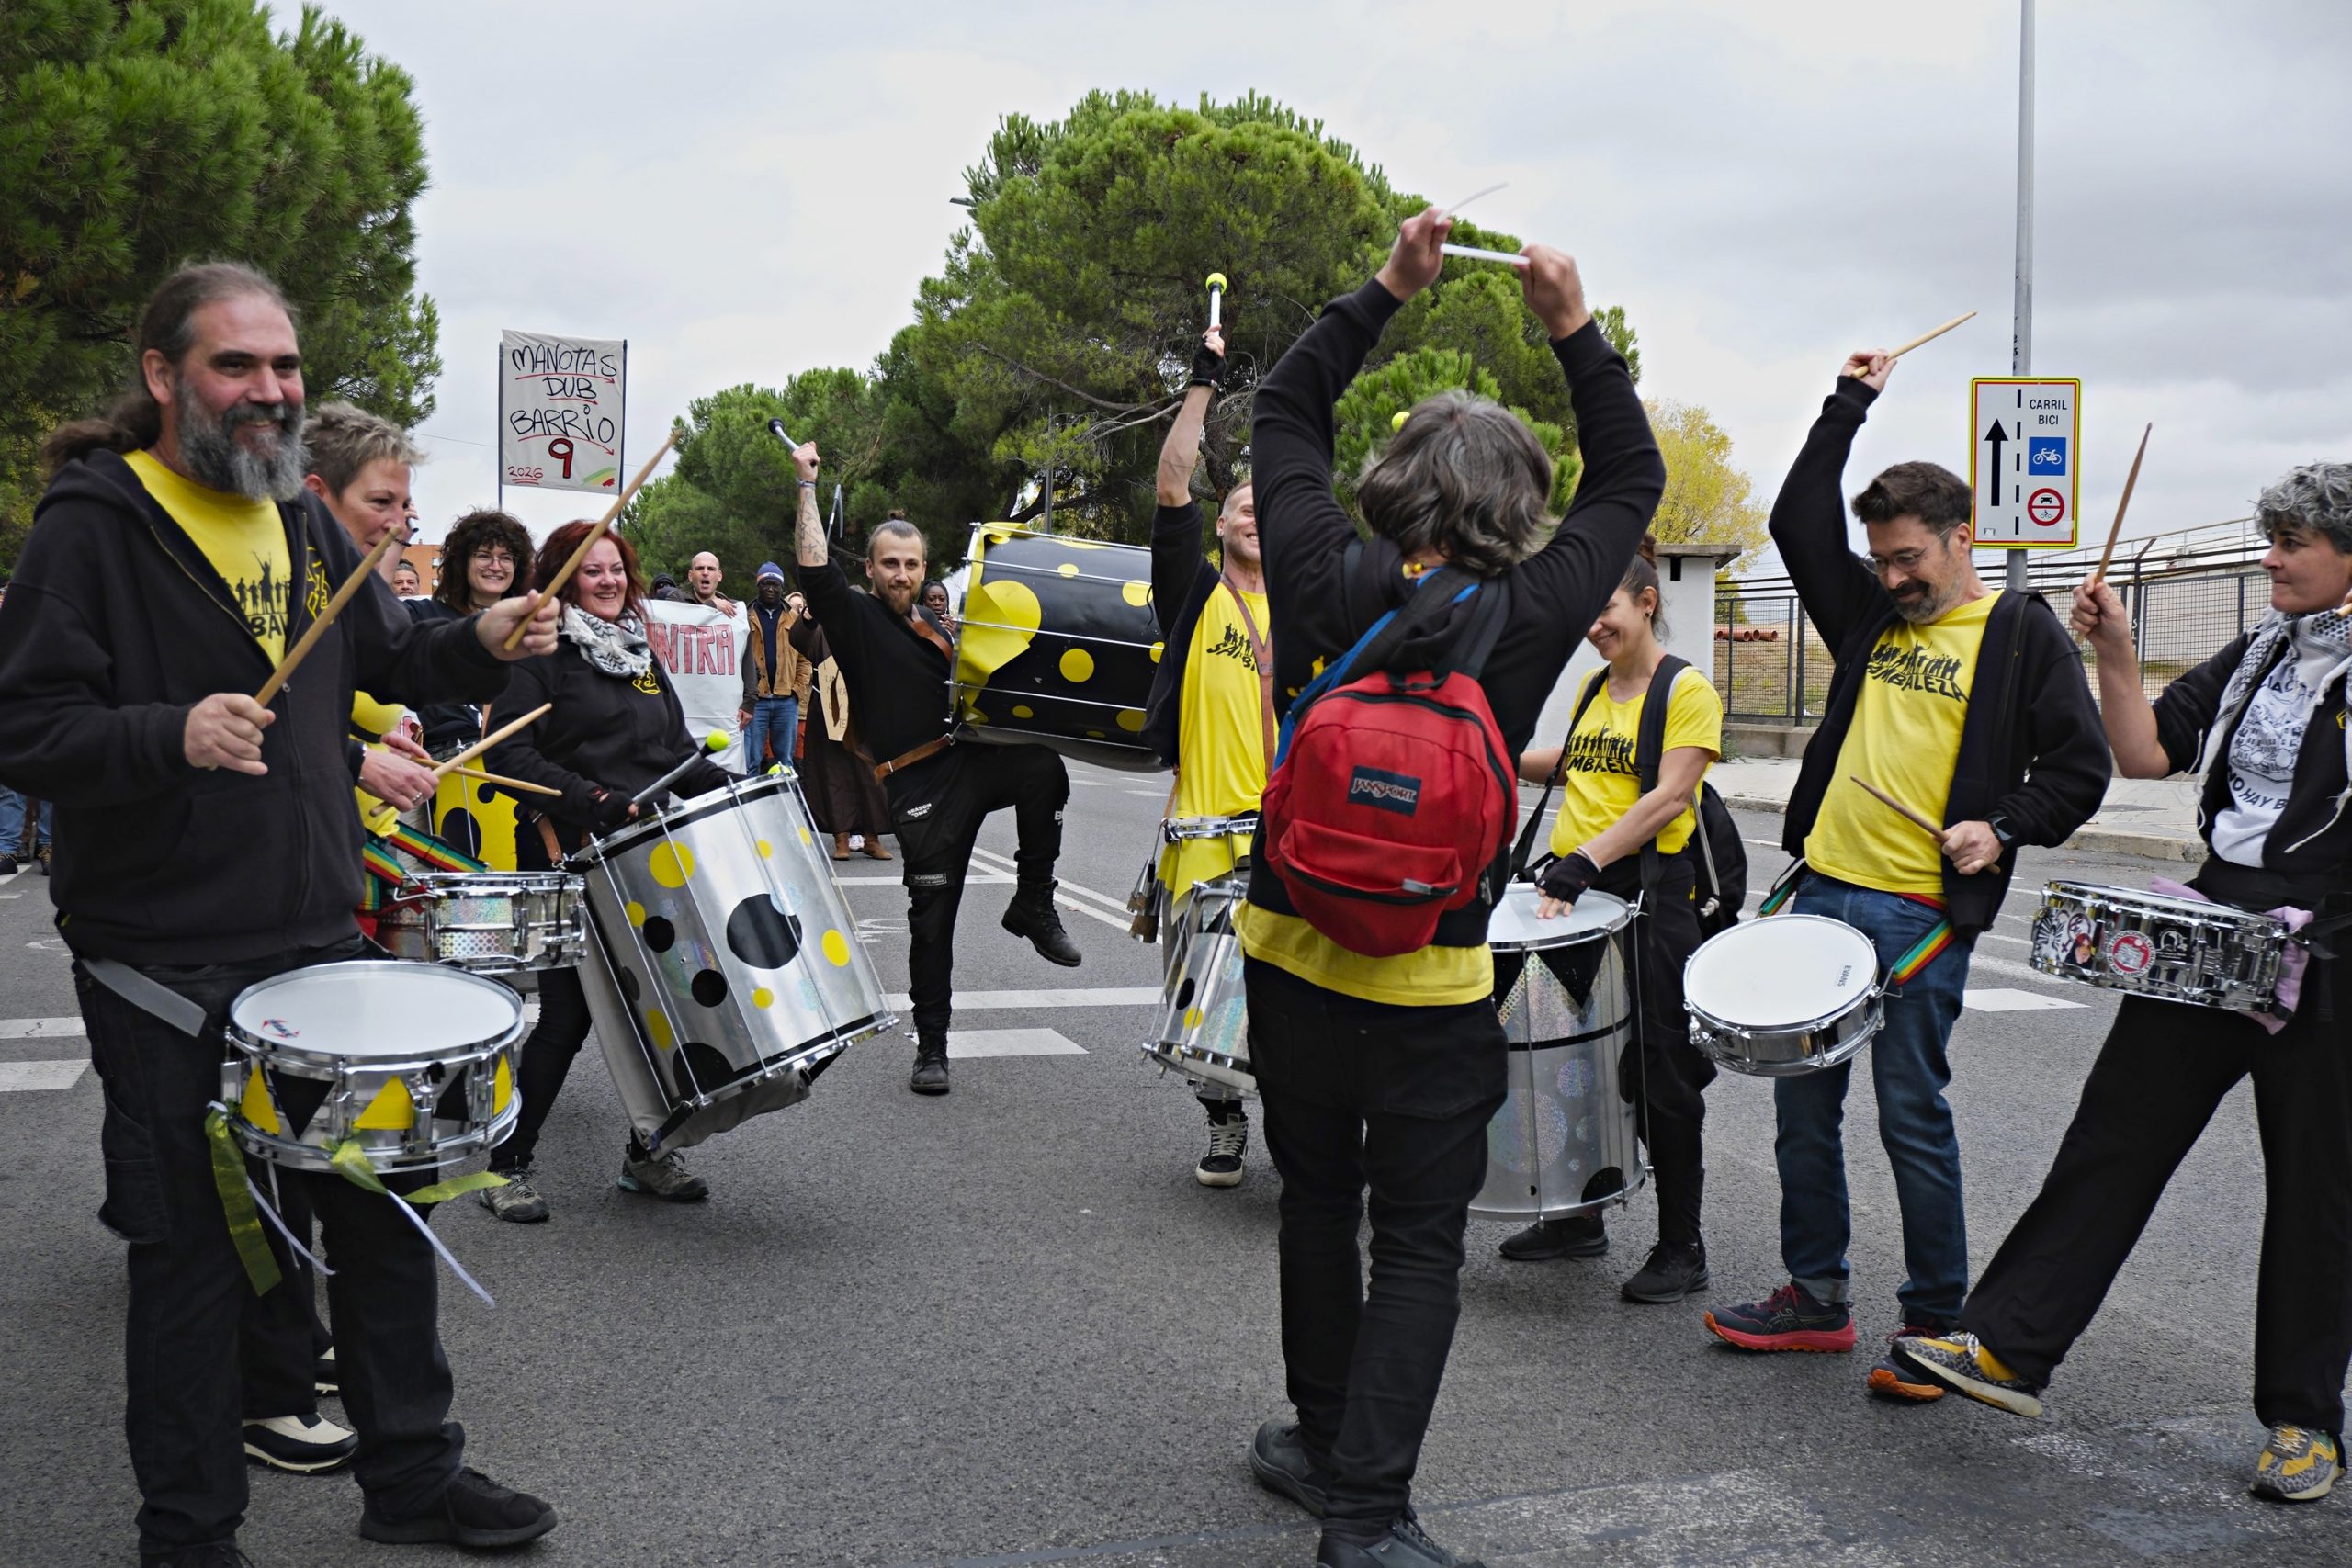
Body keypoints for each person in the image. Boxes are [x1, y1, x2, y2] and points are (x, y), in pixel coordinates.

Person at [0, 260, 560, 1562]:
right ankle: (189, 1533)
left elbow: (392, 654)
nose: (270, 389)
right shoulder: (95, 525)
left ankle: (411, 1478)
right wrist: (166, 733)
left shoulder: (304, 519)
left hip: (316, 934)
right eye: (236, 364)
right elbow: (25, 727)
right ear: (163, 376)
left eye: (286, 365)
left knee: (383, 1213)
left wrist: (482, 638)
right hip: (164, 955)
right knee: (194, 1260)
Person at [1238, 209, 1661, 1568]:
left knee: (1315, 1200)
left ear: (1389, 480)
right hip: (1430, 981)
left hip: (1289, 955)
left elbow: (1284, 404)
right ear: (1518, 507)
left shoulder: (1313, 563)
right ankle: (1366, 1515)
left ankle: (1318, 1444)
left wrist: (1385, 288)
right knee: (1417, 1242)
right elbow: (1634, 473)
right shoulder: (1533, 609)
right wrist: (1571, 326)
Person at [1896, 463, 2352, 1504]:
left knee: (2317, 1186)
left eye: (2294, 543)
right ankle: (2007, 1347)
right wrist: (2113, 649)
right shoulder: (2263, 650)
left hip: (2332, 935)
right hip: (2217, 919)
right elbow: (2145, 753)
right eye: (2273, 538)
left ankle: (2303, 1421)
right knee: (2114, 1135)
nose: (2272, 559)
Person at [1703, 348, 2109, 1403]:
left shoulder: (2017, 636)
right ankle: (1815, 1297)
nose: (1892, 578)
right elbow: (1796, 520)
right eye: (1881, 559)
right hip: (1821, 894)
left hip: (1918, 911)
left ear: (1961, 539)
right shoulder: (1872, 615)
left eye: (1909, 558)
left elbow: (2079, 769)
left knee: (1908, 1114)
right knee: (1800, 1110)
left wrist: (2001, 828)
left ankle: (1934, 1321)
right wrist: (1847, 405)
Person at [480, 520, 735, 1221]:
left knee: (666, 1010)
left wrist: (735, 788)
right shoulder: (539, 652)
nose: (609, 580)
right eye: (591, 570)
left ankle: (649, 1153)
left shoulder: (638, 653)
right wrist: (590, 798)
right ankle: (504, 1165)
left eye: (616, 568)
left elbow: (674, 751)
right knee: (567, 1017)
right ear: (562, 579)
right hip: (568, 851)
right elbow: (506, 757)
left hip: (647, 855)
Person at [794, 476, 1080, 1095]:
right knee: (933, 923)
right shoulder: (855, 617)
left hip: (969, 763)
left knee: (1043, 768)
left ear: (925, 569)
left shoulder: (938, 625)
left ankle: (1033, 901)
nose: (900, 574)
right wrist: (806, 485)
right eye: (889, 564)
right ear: (870, 569)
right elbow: (813, 568)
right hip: (918, 784)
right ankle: (932, 1046)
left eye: (911, 564)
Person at [1499, 536, 1723, 1303]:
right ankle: (1577, 1216)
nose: (1594, 626)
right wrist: (1495, 749)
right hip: (1579, 903)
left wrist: (1587, 859)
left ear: (1647, 602)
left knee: (1660, 1077)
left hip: (1649, 899)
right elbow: (1569, 763)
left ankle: (1682, 1245)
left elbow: (1670, 796)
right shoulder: (1597, 687)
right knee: (1570, 1066)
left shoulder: (1685, 690)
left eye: (1607, 609)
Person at [1143, 321, 1267, 1186]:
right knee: (1208, 995)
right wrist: (1203, 381)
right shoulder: (1195, 593)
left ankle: (1303, 1123)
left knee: (1292, 995)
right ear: (1220, 524)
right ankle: (1225, 1121)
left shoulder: (1309, 605)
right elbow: (1172, 478)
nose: (1255, 514)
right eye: (1241, 506)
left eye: (1268, 506)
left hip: (1290, 836)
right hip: (1204, 833)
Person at [408, 508, 536, 759]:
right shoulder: (421, 615)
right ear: (462, 563)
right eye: (484, 555)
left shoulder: (529, 628)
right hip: (442, 759)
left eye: (506, 558)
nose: (496, 566)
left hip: (516, 758)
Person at [791, 610, 896, 862]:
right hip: (828, 708)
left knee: (871, 776)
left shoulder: (871, 629)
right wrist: (807, 618)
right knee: (833, 774)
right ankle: (841, 839)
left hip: (866, 710)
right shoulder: (821, 629)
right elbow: (799, 639)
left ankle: (872, 839)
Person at [741, 566, 811, 774]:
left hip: (786, 700)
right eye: (765, 584)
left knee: (785, 763)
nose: (770, 589)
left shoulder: (794, 618)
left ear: (781, 588)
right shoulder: (745, 616)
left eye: (775, 584)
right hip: (756, 701)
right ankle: (753, 796)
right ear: (758, 586)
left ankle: (784, 795)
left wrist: (797, 690)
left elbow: (805, 657)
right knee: (751, 761)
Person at [687, 549, 738, 617]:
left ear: (719, 576)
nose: (705, 573)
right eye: (700, 568)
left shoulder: (735, 608)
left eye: (711, 569)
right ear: (690, 576)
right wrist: (712, 605)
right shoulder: (677, 601)